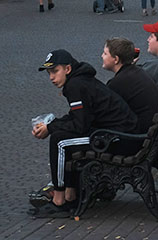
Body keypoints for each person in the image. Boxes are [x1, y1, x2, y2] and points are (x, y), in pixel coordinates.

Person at [30, 49, 138, 217]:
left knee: (60, 141)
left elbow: (80, 125)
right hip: (119, 134)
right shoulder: (81, 80)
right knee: (64, 138)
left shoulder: (75, 85)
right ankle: (70, 194)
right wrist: (52, 125)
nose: (51, 77)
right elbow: (79, 117)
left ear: (67, 69)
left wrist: (51, 128)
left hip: (117, 139)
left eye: (54, 71)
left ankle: (59, 199)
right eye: (49, 73)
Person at [101, 37, 158, 133]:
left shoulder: (118, 83)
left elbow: (105, 112)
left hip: (136, 135)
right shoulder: (137, 72)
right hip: (150, 131)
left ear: (116, 59)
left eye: (105, 53)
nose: (102, 56)